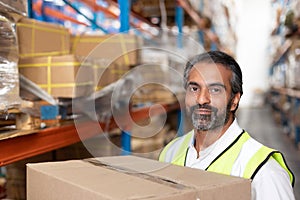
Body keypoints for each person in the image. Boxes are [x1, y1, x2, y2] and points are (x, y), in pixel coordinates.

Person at [159, 51, 295, 200]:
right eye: (194, 88)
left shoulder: (263, 172)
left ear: (234, 101)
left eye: (215, 90)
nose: (202, 99)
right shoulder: (170, 152)